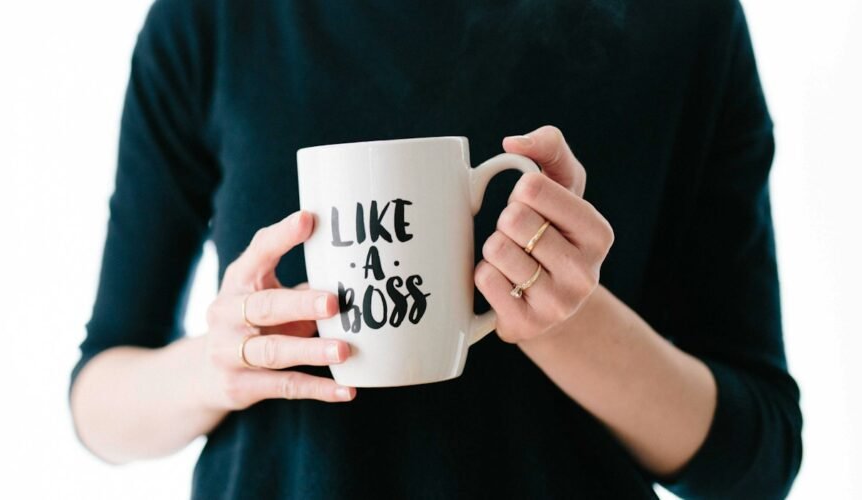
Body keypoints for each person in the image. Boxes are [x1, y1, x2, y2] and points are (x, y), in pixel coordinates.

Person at [69, 0, 802, 498]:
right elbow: (98, 399)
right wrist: (220, 365)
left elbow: (757, 455)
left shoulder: (681, 21)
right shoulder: (213, 18)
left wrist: (567, 322)